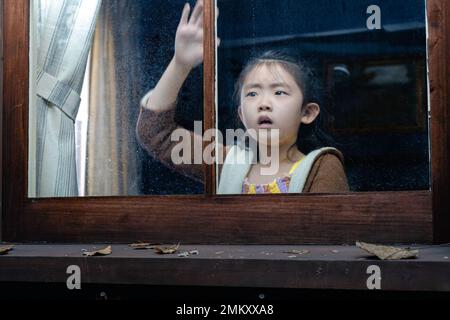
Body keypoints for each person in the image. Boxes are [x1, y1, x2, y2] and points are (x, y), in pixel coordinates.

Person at [136, 0, 349, 194]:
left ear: (307, 113)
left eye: (279, 92)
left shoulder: (321, 166)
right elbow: (154, 132)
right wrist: (180, 64)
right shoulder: (228, 163)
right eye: (252, 93)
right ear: (241, 114)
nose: (264, 104)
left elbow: (330, 233)